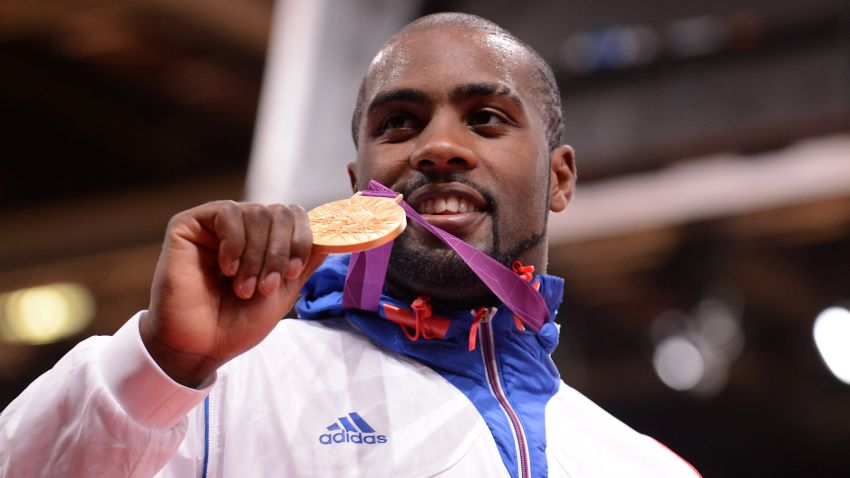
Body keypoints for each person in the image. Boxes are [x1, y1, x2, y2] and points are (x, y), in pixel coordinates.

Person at [0, 12, 700, 478]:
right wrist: (164, 361)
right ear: (357, 183)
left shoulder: (640, 465)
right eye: (399, 124)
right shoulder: (223, 392)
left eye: (486, 118)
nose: (441, 148)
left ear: (559, 176)